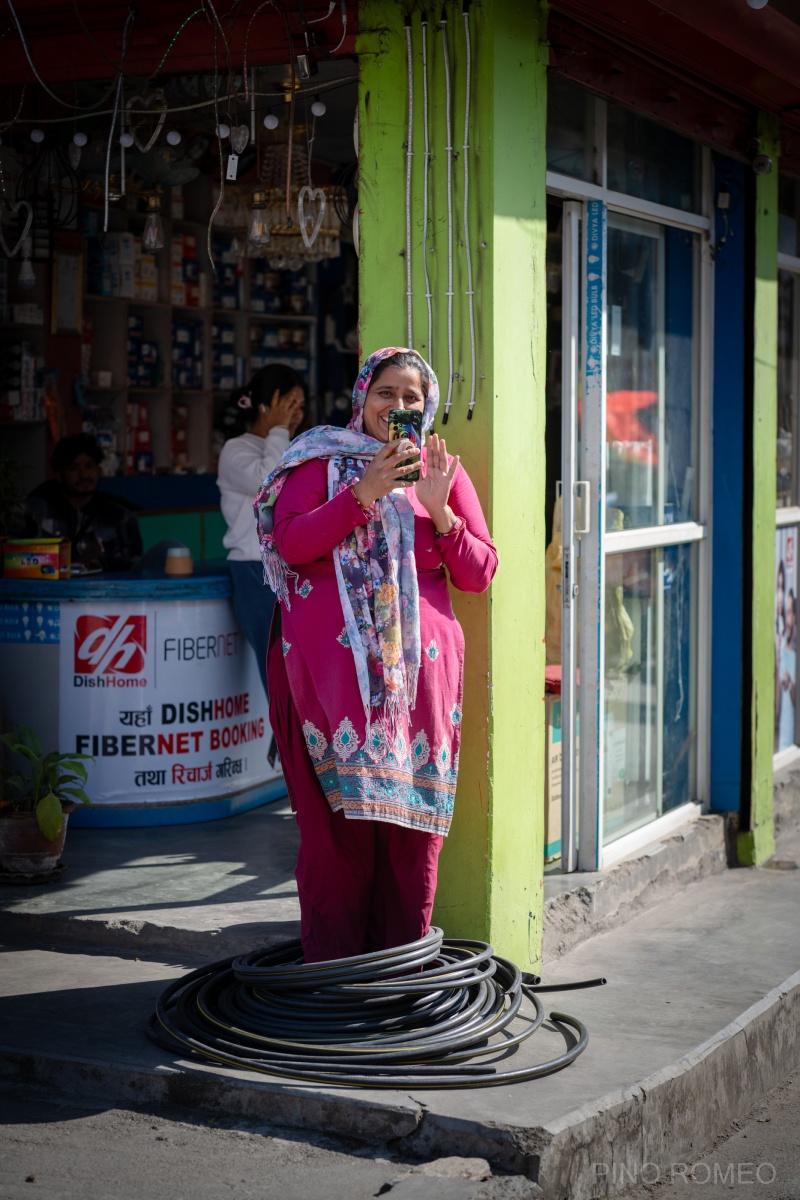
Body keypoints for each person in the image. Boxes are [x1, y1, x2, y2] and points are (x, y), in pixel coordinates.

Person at [255, 346, 498, 963]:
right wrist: (363, 491)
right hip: (326, 684)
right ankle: (333, 971)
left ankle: (400, 969)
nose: (397, 406)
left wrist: (441, 510)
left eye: (411, 398)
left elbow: (478, 575)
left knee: (411, 830)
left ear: (427, 407)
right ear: (362, 397)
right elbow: (291, 544)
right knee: (336, 830)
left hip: (419, 685)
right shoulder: (319, 461)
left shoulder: (443, 470)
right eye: (385, 392)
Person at [217, 364, 305, 697]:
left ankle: (289, 746)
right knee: (278, 672)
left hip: (291, 568)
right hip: (254, 571)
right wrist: (280, 430)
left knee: (298, 673)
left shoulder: (289, 449)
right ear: (265, 404)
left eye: (300, 406)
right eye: (289, 405)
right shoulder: (235, 450)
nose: (296, 414)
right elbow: (268, 483)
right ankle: (285, 747)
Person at [15, 434, 141, 572]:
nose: (84, 475)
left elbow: (134, 562)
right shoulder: (38, 511)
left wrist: (102, 564)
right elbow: (16, 559)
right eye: (73, 468)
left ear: (99, 471)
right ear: (59, 475)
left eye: (89, 466)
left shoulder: (119, 515)